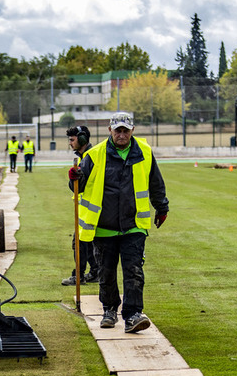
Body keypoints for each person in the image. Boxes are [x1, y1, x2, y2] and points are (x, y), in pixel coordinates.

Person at [68, 112, 168, 333]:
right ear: (110, 131)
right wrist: (74, 177)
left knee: (133, 272)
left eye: (125, 130)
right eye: (118, 130)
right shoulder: (94, 155)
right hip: (104, 227)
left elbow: (156, 183)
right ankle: (109, 309)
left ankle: (133, 315)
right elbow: (78, 186)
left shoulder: (145, 152)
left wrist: (162, 208)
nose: (121, 134)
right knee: (107, 272)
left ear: (132, 131)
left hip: (134, 226)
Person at [62, 125, 99, 286]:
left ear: (82, 138)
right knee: (88, 244)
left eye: (72, 139)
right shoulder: (89, 155)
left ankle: (78, 275)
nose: (70, 143)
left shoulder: (89, 157)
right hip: (89, 208)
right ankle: (95, 272)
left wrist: (73, 179)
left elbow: (80, 186)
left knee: (79, 243)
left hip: (89, 209)